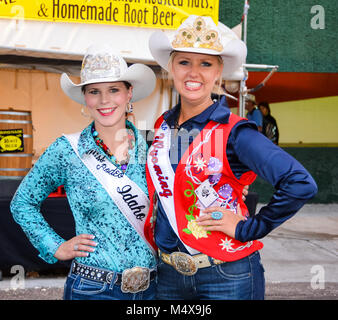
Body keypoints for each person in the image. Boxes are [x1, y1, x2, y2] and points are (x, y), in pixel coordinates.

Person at [144, 15, 317, 300]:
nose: (193, 72)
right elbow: (161, 184)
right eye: (184, 62)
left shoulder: (236, 131)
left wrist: (249, 227)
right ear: (171, 68)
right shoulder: (162, 125)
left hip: (227, 276)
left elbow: (300, 183)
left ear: (218, 73)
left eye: (206, 63)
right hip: (169, 277)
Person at [10, 44, 158, 300]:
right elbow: (22, 203)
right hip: (93, 289)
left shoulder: (154, 146)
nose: (104, 100)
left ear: (128, 93)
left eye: (113, 89)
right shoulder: (67, 150)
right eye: (94, 91)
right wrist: (55, 246)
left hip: (154, 288)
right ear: (85, 98)